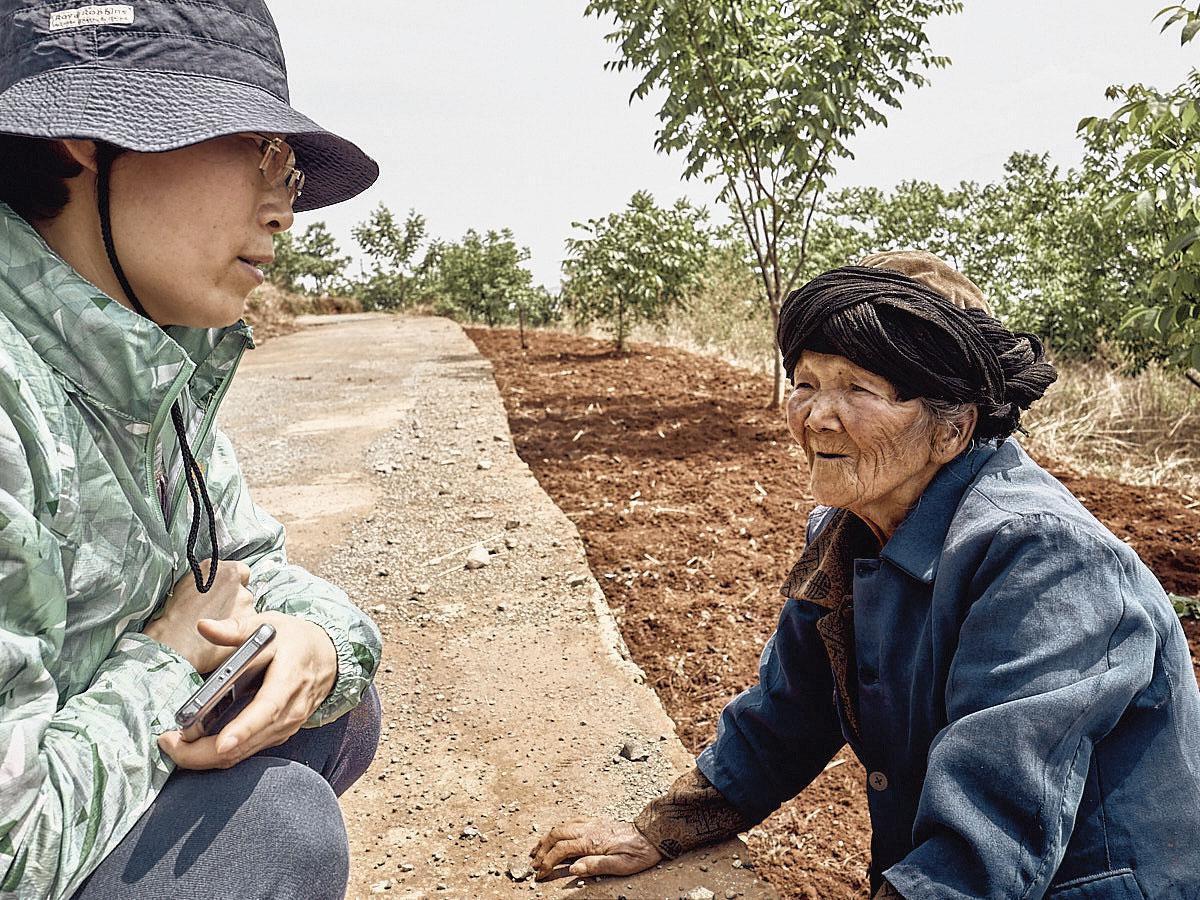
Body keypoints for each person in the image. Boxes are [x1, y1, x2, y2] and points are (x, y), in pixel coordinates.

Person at [531, 251, 1200, 898]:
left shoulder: (1042, 555)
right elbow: (791, 710)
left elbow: (993, 826)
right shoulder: (849, 527)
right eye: (806, 383)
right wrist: (664, 829)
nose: (818, 416)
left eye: (858, 388)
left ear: (952, 428)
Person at [0, 2, 383, 897]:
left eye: (290, 168)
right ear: (81, 140)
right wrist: (168, 661)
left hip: (79, 744)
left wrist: (322, 642)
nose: (284, 207)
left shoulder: (145, 363)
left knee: (332, 705)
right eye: (258, 150)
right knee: (277, 833)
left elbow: (250, 564)